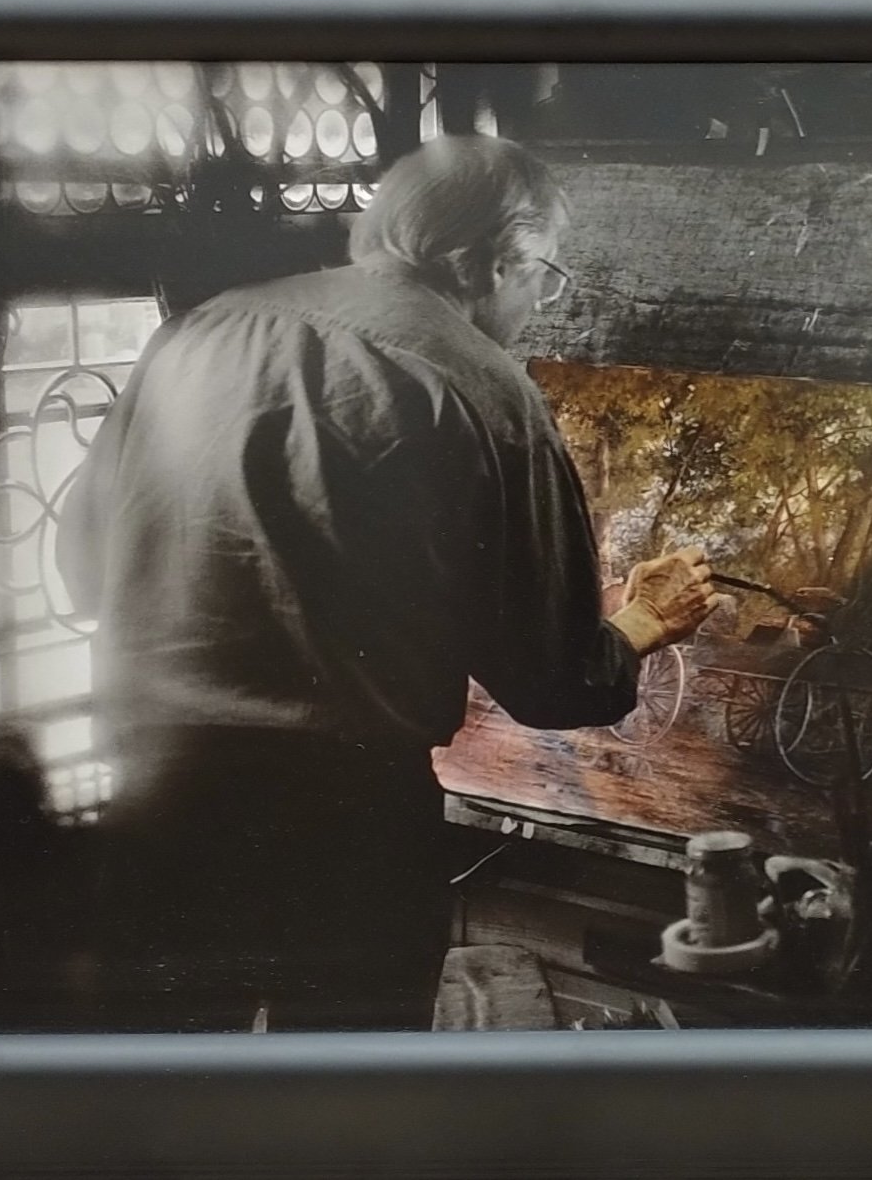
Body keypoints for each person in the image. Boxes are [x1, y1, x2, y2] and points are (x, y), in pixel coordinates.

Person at [54, 135, 718, 1031]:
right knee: (349, 1090)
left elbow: (82, 566)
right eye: (547, 277)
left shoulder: (197, 332)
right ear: (497, 261)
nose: (540, 301)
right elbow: (556, 683)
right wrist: (644, 619)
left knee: (167, 1080)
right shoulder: (485, 389)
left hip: (153, 792)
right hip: (342, 818)